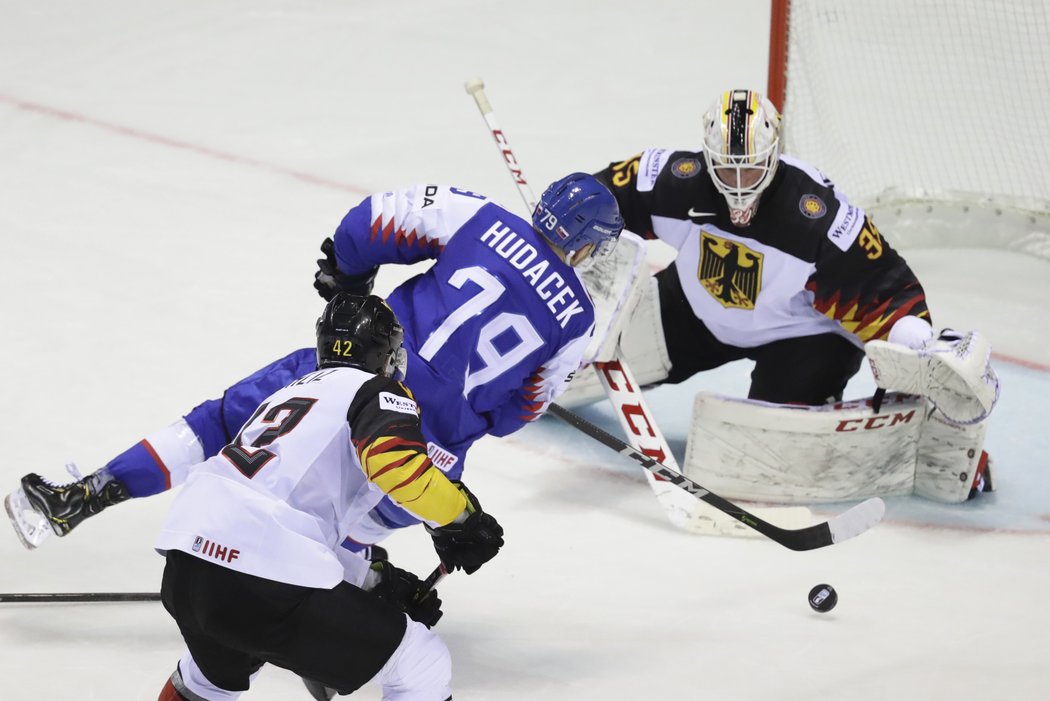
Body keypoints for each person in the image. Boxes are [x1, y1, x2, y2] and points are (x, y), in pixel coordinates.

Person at [6, 172, 625, 550]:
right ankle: (330, 595)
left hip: (359, 372)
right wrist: (460, 414)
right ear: (589, 244)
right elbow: (523, 410)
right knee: (367, 520)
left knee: (225, 424)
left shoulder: (481, 217)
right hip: (432, 445)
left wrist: (351, 280)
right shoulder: (580, 326)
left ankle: (83, 497)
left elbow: (371, 221)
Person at [569, 88, 997, 503]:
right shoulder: (676, 180)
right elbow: (605, 195)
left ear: (773, 156)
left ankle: (930, 445)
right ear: (706, 157)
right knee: (567, 371)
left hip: (801, 339)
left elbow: (882, 288)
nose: (738, 183)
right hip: (695, 310)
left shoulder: (817, 216)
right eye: (726, 168)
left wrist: (918, 342)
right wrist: (569, 218)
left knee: (761, 459)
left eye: (751, 169)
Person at [156, 292, 504, 701]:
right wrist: (462, 520)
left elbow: (276, 518)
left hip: (188, 567)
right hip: (260, 573)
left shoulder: (289, 395)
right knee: (420, 663)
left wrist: (375, 581)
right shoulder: (374, 390)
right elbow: (398, 468)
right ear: (386, 353)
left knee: (209, 677)